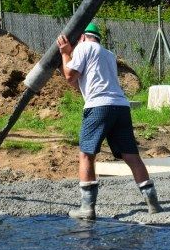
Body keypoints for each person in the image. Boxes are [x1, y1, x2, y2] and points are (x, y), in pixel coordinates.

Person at [56, 22, 163, 219]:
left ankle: (87, 209)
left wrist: (65, 53)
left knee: (86, 154)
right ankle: (153, 204)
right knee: (131, 156)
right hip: (121, 106)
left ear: (81, 37)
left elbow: (70, 76)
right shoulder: (108, 55)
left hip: (98, 106)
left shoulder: (83, 47)